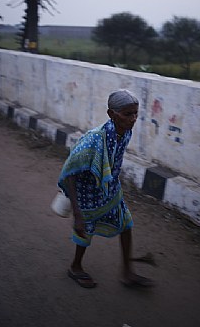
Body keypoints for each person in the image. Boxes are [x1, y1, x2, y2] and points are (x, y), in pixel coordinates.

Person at [58, 89, 153, 288]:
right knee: (85, 232)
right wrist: (77, 212)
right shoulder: (93, 139)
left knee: (126, 224)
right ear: (111, 114)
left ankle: (127, 272)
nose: (133, 119)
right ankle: (75, 267)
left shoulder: (125, 132)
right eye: (128, 114)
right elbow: (70, 172)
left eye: (136, 113)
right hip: (87, 195)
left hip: (110, 190)